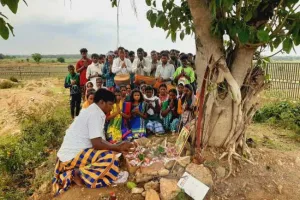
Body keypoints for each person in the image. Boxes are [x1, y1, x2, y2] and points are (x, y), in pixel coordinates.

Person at [53, 89, 135, 196]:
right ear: (101, 102)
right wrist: (117, 147)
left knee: (112, 155)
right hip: (71, 156)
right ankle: (77, 173)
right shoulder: (94, 114)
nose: (111, 108)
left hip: (76, 153)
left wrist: (116, 146)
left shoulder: (94, 111)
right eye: (110, 104)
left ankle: (78, 171)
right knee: (110, 158)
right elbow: (97, 144)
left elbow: (100, 140)